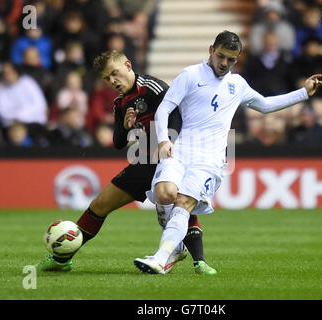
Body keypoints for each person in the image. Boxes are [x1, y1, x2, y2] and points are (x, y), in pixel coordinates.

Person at [134, 31, 322, 274]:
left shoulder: (238, 85)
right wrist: (163, 140)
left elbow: (265, 105)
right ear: (211, 49)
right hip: (180, 149)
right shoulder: (190, 75)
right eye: (221, 56)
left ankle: (161, 257)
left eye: (231, 60)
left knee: (183, 203)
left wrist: (303, 93)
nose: (224, 64)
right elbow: (164, 109)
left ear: (238, 59)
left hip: (209, 159)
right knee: (164, 193)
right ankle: (176, 247)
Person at [35, 50, 216, 275]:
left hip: (170, 157)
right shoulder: (120, 103)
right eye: (107, 78)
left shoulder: (153, 87)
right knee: (99, 206)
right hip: (143, 161)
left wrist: (168, 142)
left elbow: (177, 115)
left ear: (128, 65)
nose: (113, 81)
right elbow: (118, 142)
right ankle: (62, 259)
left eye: (115, 73)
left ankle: (199, 261)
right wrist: (126, 126)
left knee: (180, 202)